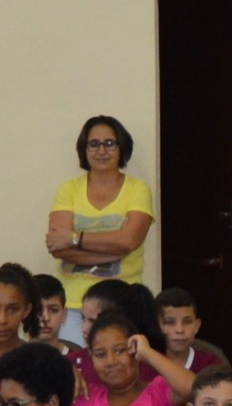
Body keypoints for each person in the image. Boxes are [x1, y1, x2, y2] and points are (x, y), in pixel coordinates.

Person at [46, 111, 156, 305]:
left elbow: (129, 241)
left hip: (122, 301)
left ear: (122, 147)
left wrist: (74, 238)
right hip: (72, 303)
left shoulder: (138, 189)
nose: (102, 151)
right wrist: (115, 250)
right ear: (84, 149)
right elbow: (58, 248)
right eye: (94, 144)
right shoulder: (69, 189)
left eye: (109, 143)